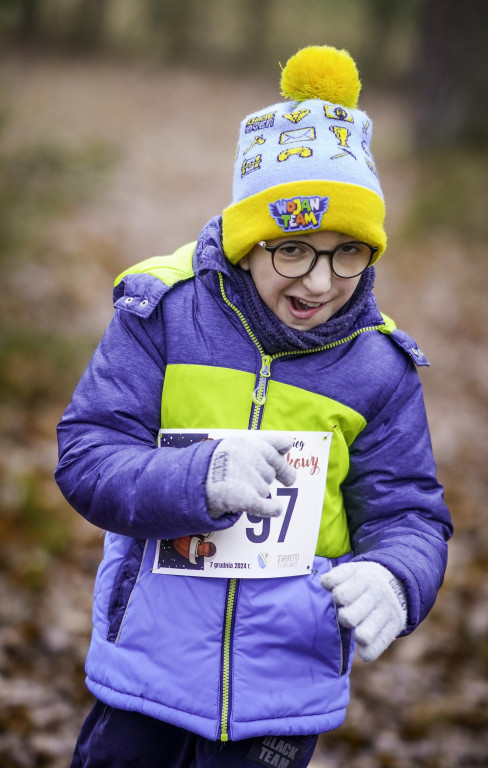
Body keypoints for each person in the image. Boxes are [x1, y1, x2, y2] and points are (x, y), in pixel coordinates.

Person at [55, 45, 452, 768]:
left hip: (284, 693)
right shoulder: (164, 315)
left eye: (348, 252)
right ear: (247, 242)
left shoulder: (379, 370)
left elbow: (409, 512)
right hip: (144, 677)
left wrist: (398, 576)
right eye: (293, 249)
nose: (321, 281)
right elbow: (86, 453)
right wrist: (197, 478)